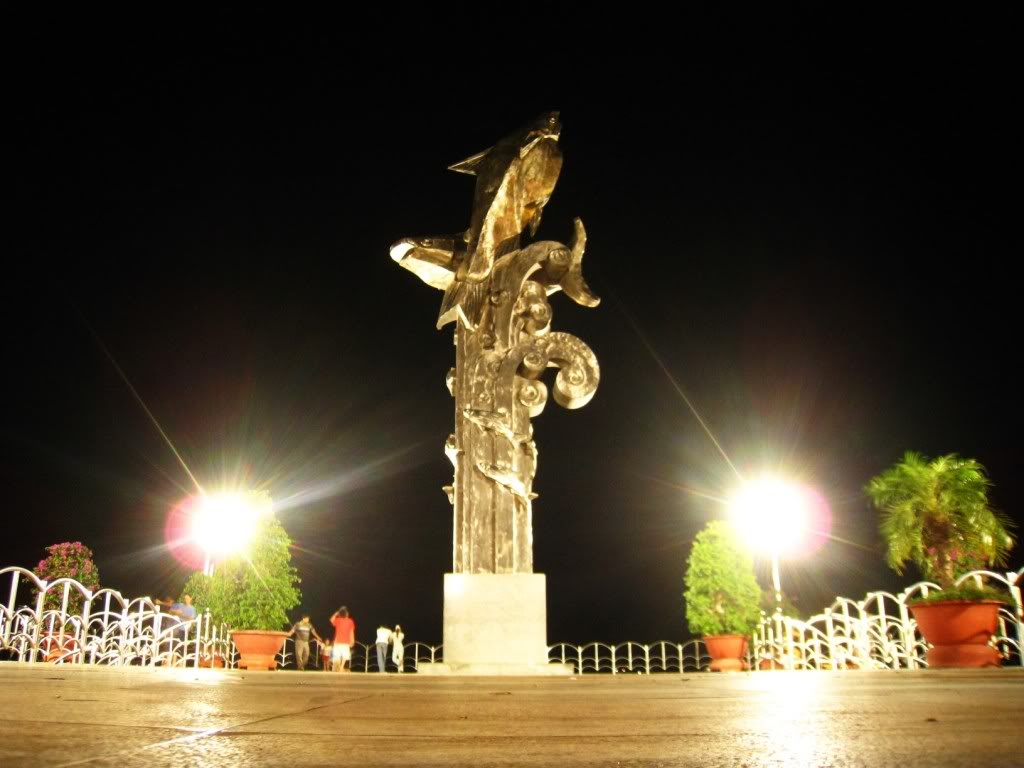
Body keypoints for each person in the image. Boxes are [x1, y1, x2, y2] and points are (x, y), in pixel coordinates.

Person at [329, 606, 355, 672]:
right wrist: (352, 640)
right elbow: (351, 632)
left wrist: (335, 613)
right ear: (346, 613)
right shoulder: (350, 621)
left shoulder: (338, 620)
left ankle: (338, 668)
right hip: (346, 641)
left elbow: (331, 620)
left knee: (337, 656)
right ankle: (341, 667)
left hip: (337, 641)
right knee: (345, 655)